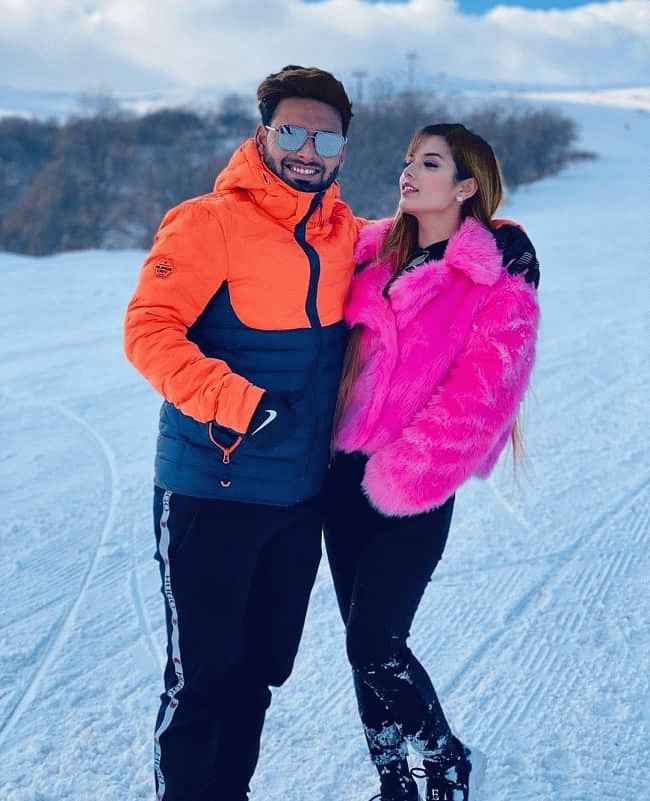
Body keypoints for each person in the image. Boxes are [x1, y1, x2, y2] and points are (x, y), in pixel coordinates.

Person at [124, 61, 537, 800]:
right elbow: (148, 329)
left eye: (326, 137)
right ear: (263, 134)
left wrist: (499, 236)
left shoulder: (344, 233)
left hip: (304, 499)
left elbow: (438, 251)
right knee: (204, 677)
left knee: (259, 673)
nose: (308, 150)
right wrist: (237, 403)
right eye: (292, 132)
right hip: (215, 484)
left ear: (344, 147)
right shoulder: (209, 221)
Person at [322, 123, 540, 801]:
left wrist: (409, 472)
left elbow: (487, 389)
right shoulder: (370, 252)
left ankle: (448, 763)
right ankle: (394, 781)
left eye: (431, 163)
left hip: (413, 484)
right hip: (340, 477)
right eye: (410, 160)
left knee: (375, 643)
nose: (409, 172)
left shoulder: (493, 272)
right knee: (363, 645)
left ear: (467, 186)